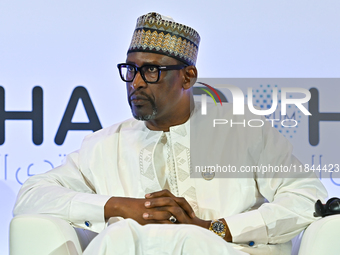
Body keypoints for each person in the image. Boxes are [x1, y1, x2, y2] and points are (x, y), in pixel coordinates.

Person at [13, 12, 327, 255]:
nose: (135, 82)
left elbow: (307, 196)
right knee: (121, 234)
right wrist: (123, 207)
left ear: (188, 77)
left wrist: (215, 228)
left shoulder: (242, 134)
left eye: (151, 71)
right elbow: (31, 196)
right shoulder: (104, 144)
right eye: (130, 70)